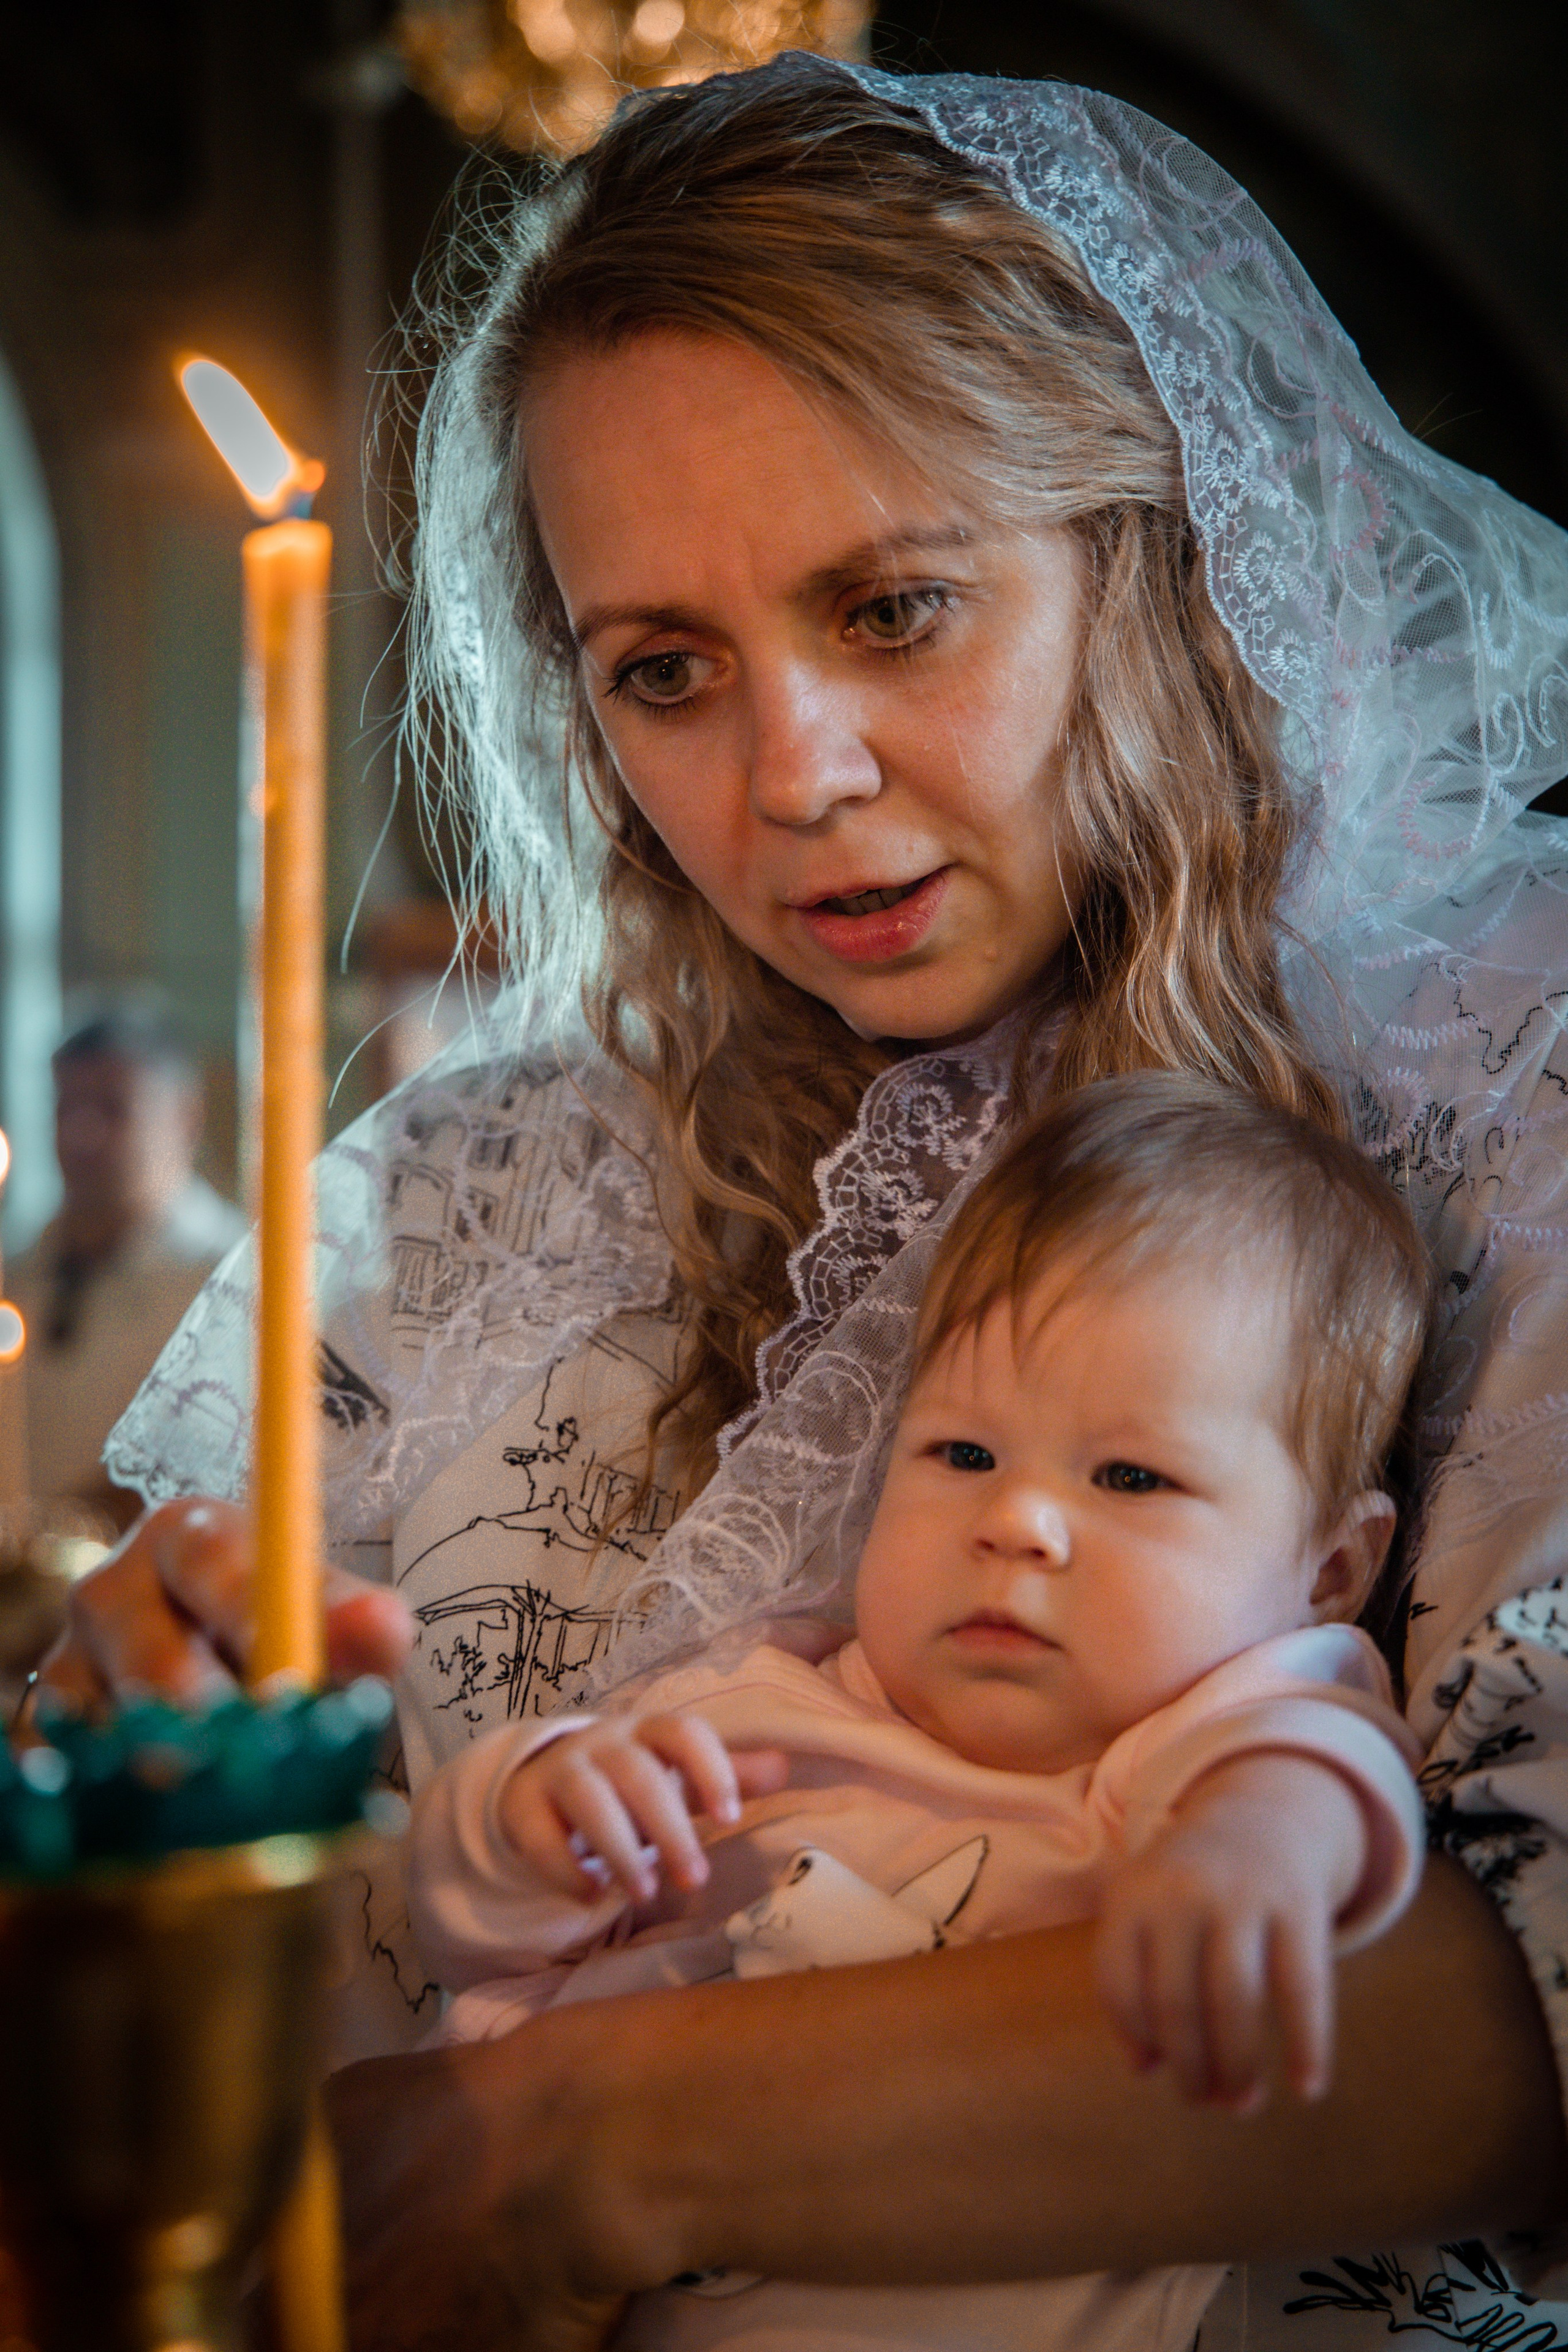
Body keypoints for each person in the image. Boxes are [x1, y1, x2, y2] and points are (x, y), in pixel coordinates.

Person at [36, 52, 1568, 2351]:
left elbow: (1518, 2014)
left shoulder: (1503, 1076)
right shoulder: (481, 1174)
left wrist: (560, 2152)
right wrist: (166, 1751)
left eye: (891, 610)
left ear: (1148, 554)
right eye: (661, 670)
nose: (788, 780)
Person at [407, 1076, 1431, 2351]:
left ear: (1327, 1572)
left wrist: (1243, 1856)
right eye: (960, 1454)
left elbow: (1319, 1762)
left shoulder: (1197, 1752)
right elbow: (470, 1952)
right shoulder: (751, 1708)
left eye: (1130, 1476)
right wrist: (529, 1824)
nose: (1015, 1522)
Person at [8, 998, 245, 1525]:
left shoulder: (236, 1282)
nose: (80, 1135)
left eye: (113, 1109)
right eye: (65, 1108)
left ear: (185, 1116)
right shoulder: (19, 1273)